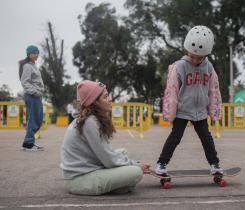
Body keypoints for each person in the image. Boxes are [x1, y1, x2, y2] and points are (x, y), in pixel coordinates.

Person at [60, 80, 150, 195]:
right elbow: (108, 159)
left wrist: (129, 163)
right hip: (79, 180)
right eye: (105, 97)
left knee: (123, 152)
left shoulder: (90, 119)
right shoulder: (90, 122)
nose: (110, 99)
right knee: (136, 172)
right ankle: (117, 186)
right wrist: (136, 164)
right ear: (94, 102)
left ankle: (117, 185)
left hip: (85, 170)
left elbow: (106, 154)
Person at [155, 25, 223, 175]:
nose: (195, 60)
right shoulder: (179, 66)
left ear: (206, 55)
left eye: (199, 57)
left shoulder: (209, 68)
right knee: (175, 138)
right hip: (182, 110)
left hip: (200, 111)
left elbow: (214, 90)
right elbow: (171, 90)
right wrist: (169, 113)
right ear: (186, 50)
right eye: (192, 56)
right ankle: (161, 164)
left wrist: (214, 111)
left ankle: (215, 164)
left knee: (206, 138)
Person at [19, 45, 44, 151]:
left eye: (37, 53)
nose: (36, 55)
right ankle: (29, 143)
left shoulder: (33, 65)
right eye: (34, 53)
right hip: (32, 95)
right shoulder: (27, 66)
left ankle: (27, 142)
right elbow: (25, 82)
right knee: (34, 120)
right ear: (29, 54)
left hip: (36, 95)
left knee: (37, 119)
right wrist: (34, 92)